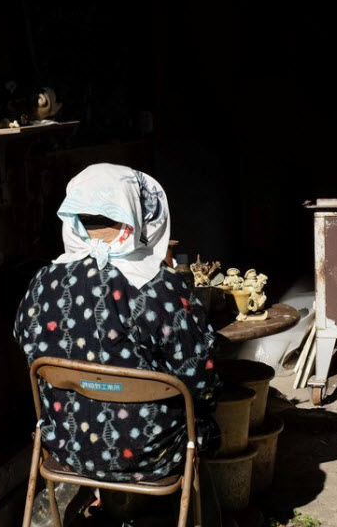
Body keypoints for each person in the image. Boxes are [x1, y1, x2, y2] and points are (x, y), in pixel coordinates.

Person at [14, 163, 221, 483]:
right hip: (153, 455)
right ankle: (205, 514)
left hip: (67, 448)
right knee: (208, 419)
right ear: (137, 213)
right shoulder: (159, 286)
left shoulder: (43, 284)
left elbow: (26, 343)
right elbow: (201, 377)